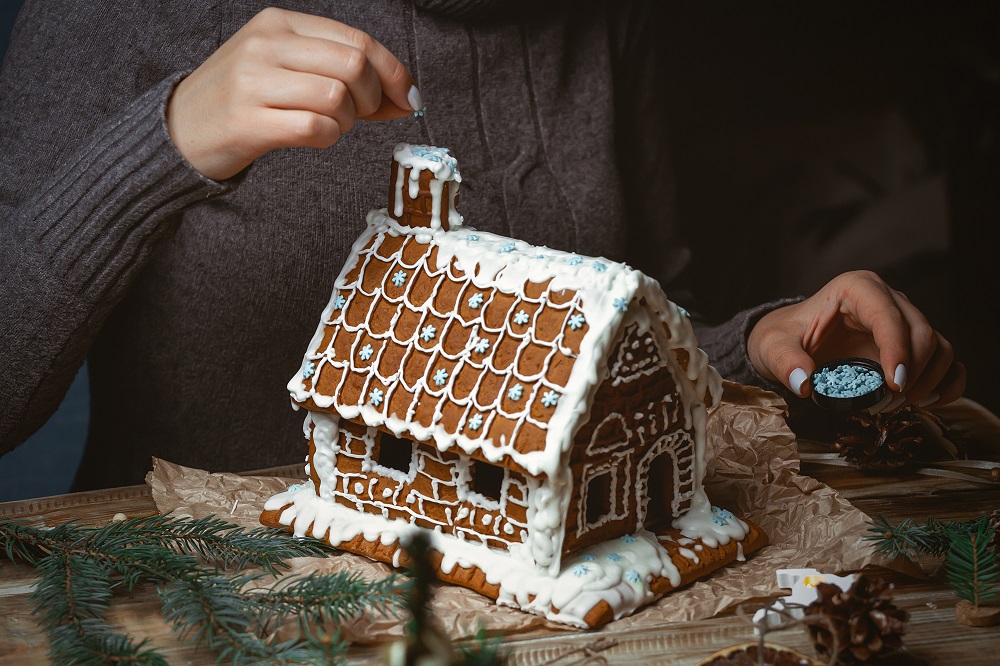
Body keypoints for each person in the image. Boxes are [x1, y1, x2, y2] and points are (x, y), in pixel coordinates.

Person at [0, 1, 965, 491]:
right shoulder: (116, 16)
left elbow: (622, 333)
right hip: (186, 605)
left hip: (535, 605)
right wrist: (165, 143)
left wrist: (758, 345)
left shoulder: (601, 23)